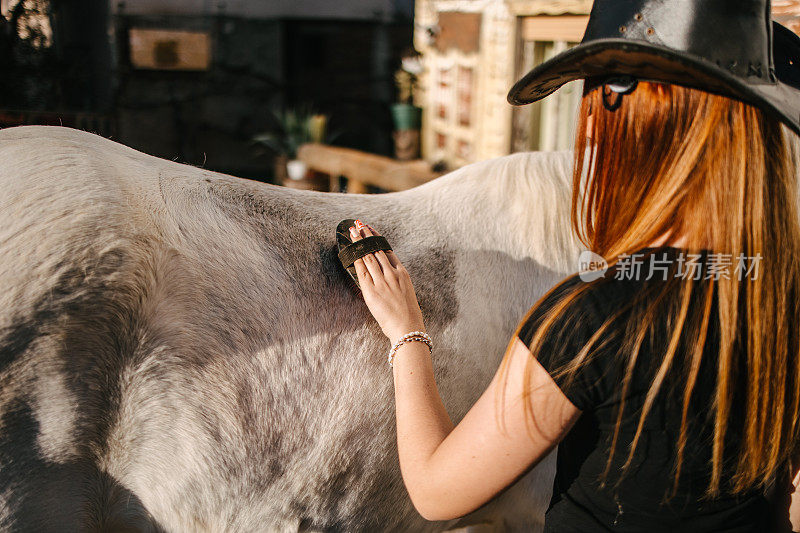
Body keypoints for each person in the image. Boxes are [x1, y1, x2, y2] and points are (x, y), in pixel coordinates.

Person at [340, 0, 800, 530]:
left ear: (628, 128)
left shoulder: (594, 318)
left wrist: (406, 333)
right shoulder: (775, 293)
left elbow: (436, 492)